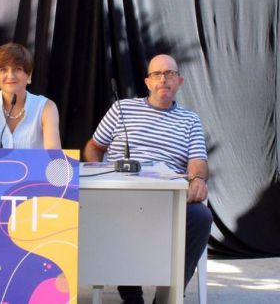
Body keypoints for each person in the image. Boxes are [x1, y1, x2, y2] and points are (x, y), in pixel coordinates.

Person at [83, 54, 211, 304]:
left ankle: (167, 296)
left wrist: (197, 179)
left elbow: (198, 161)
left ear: (180, 81)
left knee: (201, 217)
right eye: (157, 74)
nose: (163, 79)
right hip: (120, 194)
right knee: (121, 213)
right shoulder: (122, 109)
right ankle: (132, 296)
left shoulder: (190, 120)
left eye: (170, 74)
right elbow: (94, 146)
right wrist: (98, 173)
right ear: (147, 81)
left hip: (167, 198)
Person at [0, 42, 61, 149]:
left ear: (29, 75)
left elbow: (53, 154)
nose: (11, 76)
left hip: (34, 166)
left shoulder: (47, 107)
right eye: (3, 70)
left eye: (18, 69)